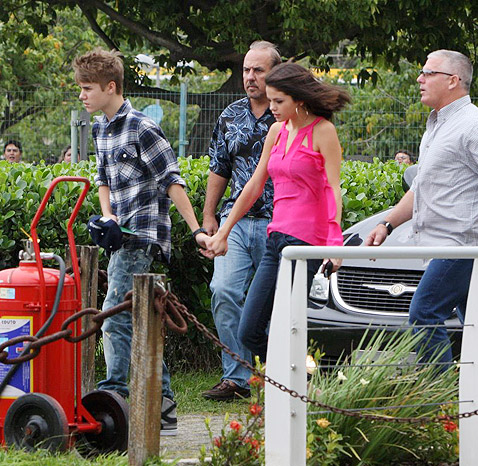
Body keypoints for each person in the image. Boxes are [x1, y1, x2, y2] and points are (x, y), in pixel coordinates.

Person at [364, 50, 478, 405]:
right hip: (450, 244)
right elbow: (422, 187)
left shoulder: (475, 124)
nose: (419, 79)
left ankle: (439, 407)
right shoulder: (438, 126)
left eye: (428, 73)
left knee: (425, 311)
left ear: (453, 80)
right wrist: (386, 224)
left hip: (466, 245)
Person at [73, 47, 209, 436]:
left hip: (144, 234)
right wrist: (108, 216)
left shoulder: (142, 127)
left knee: (114, 316)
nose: (81, 95)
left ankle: (114, 395)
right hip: (120, 233)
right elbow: (103, 181)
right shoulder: (100, 128)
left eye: (87, 88)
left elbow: (172, 180)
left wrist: (196, 228)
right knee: (135, 319)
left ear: (110, 86)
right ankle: (162, 403)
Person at [205, 62, 350, 362]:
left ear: (299, 99)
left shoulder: (323, 131)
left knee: (289, 325)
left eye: (279, 101)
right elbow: (254, 185)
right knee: (250, 331)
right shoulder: (276, 131)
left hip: (306, 244)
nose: (271, 107)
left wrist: (334, 244)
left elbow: (332, 189)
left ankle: (302, 386)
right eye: (270, 100)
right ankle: (306, 376)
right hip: (276, 241)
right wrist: (223, 231)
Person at [200, 41, 281, 401]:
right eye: (247, 70)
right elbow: (219, 168)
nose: (250, 77)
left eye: (258, 70)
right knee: (223, 291)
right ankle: (237, 377)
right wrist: (208, 216)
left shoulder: (290, 118)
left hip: (277, 223)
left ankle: (278, 374)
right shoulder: (230, 115)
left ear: (274, 74)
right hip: (235, 221)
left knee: (278, 301)